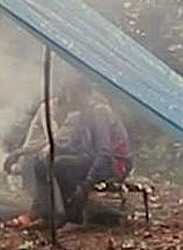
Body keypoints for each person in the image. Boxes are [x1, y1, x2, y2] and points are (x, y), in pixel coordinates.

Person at [9, 82, 130, 226]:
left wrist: (87, 184)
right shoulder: (81, 115)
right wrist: (53, 151)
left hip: (114, 163)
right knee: (42, 162)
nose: (68, 100)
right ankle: (45, 212)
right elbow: (72, 146)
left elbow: (104, 153)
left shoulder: (99, 112)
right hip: (93, 159)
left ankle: (72, 215)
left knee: (61, 166)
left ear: (81, 95)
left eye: (71, 95)